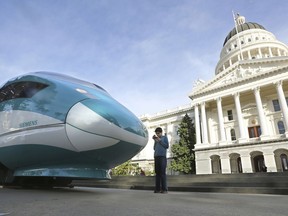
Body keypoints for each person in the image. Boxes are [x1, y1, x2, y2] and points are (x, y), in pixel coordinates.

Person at [153, 127, 169, 194]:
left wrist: (160, 141)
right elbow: (154, 148)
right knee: (157, 173)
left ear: (161, 132)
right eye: (156, 133)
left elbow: (167, 146)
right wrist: (155, 141)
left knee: (162, 173)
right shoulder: (157, 139)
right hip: (156, 156)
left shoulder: (164, 138)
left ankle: (164, 189)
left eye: (158, 133)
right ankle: (157, 189)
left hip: (162, 157)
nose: (157, 134)